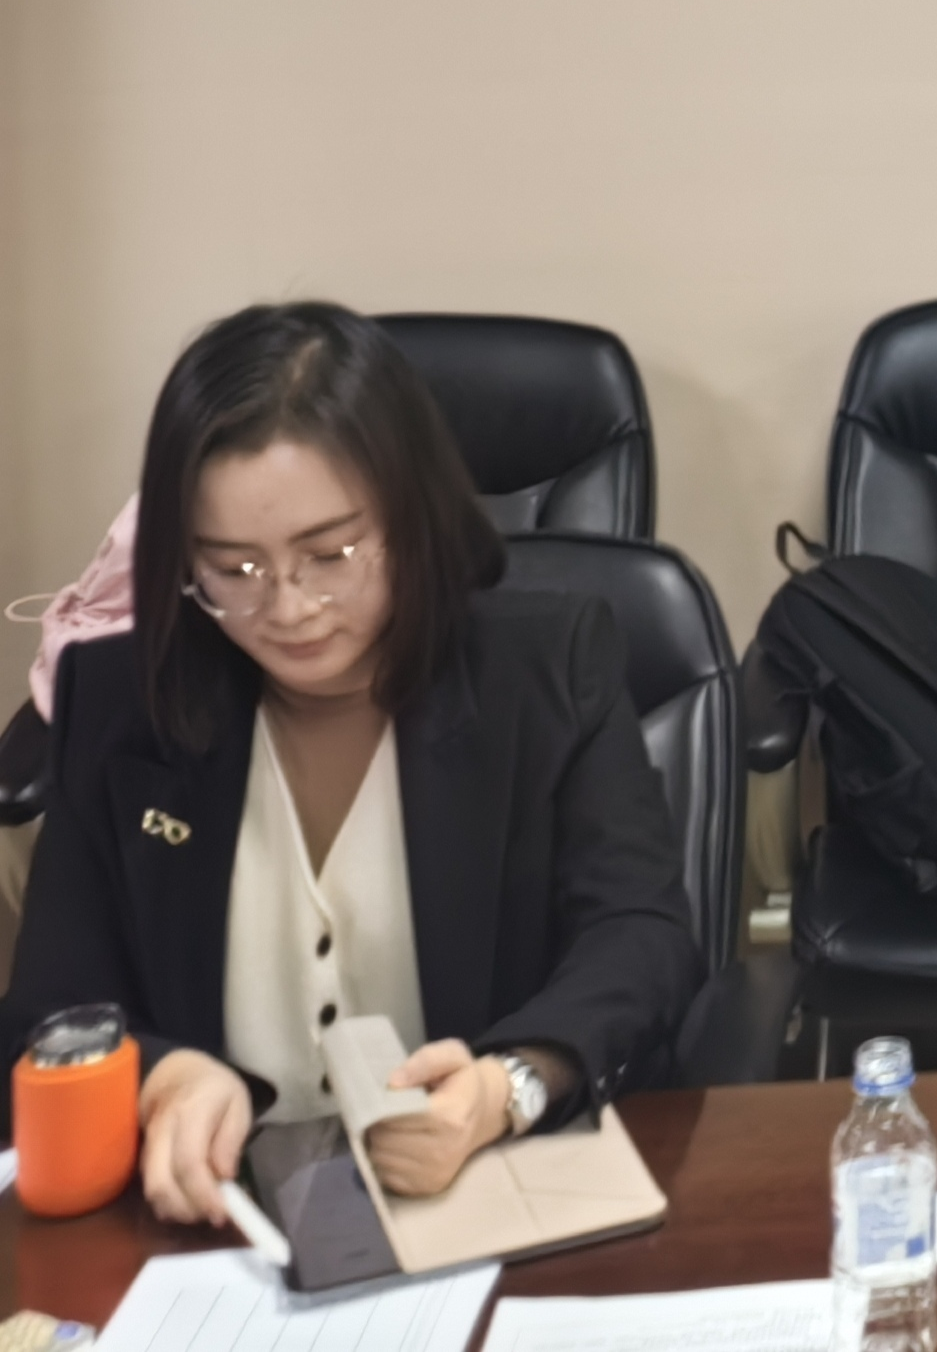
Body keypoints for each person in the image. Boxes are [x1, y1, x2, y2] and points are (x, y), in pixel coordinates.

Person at [0, 303, 699, 1226]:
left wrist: (509, 1082)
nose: (288, 607)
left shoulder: (546, 667)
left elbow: (641, 935)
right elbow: (49, 1008)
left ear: (411, 516)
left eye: (329, 554)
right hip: (224, 1229)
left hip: (482, 1204)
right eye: (233, 569)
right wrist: (164, 1075)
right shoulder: (119, 702)